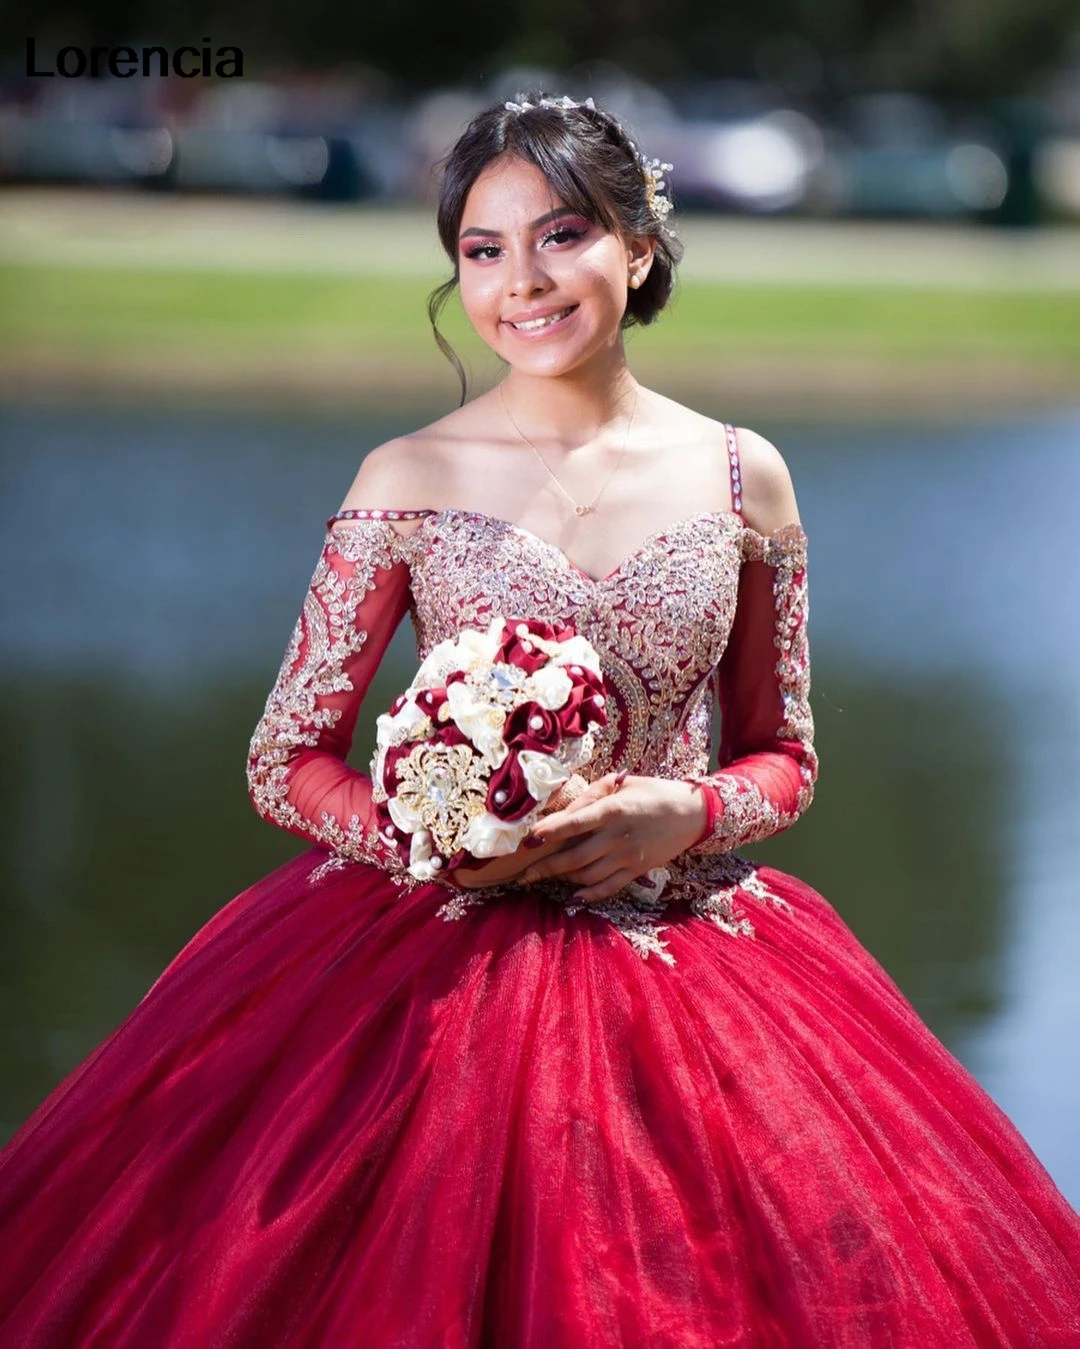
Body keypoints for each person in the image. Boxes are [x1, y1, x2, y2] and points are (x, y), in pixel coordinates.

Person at [0, 91, 1077, 1348]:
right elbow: (287, 757)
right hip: (427, 977)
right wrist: (435, 833)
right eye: (481, 249)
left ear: (641, 245)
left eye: (561, 236)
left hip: (693, 962)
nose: (522, 282)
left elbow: (784, 756)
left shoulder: (743, 476)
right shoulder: (406, 477)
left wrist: (689, 811)